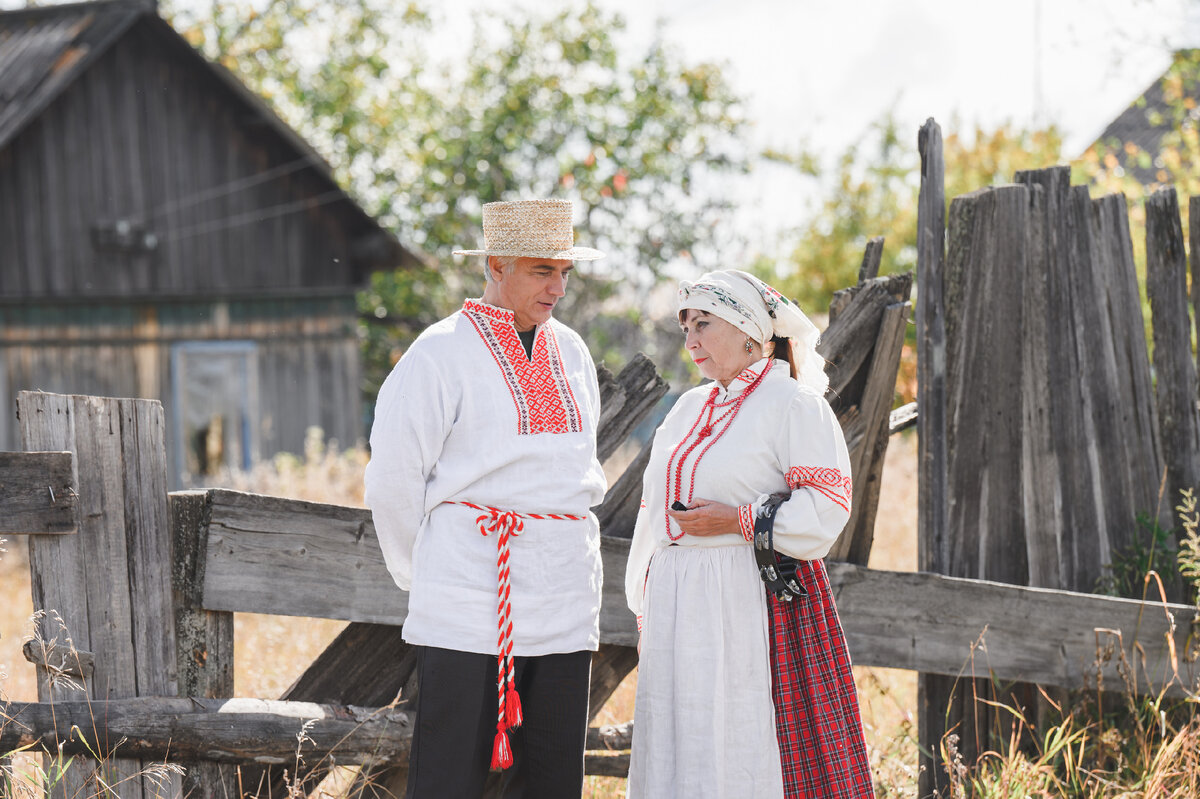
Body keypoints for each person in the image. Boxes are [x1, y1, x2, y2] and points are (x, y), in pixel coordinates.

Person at [364, 199, 607, 798]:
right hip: (469, 592)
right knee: (449, 775)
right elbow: (393, 478)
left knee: (552, 777)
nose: (557, 288)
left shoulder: (572, 352)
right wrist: (430, 575)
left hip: (563, 593)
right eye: (541, 271)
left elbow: (575, 464)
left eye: (564, 272)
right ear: (495, 266)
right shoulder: (439, 352)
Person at [624, 269, 875, 798]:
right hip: (679, 602)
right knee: (681, 737)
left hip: (746, 602)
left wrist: (738, 521)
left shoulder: (794, 406)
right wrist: (646, 600)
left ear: (747, 331)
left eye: (704, 323)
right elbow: (653, 508)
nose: (690, 339)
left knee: (740, 737)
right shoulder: (690, 408)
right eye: (685, 325)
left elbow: (827, 510)